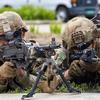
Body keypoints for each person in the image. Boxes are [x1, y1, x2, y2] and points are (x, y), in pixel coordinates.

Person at [0, 11, 37, 92]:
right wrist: (1, 78)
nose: (3, 43)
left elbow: (46, 83)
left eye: (7, 38)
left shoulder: (30, 51)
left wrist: (21, 75)